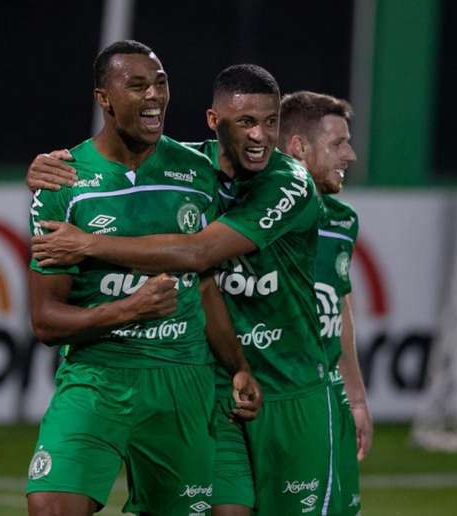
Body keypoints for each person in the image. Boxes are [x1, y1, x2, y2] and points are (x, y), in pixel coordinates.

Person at [29, 64, 341, 515]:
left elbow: (198, 257)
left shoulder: (288, 183)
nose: (260, 136)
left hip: (286, 382)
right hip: (188, 378)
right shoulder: (190, 167)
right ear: (216, 123)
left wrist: (88, 243)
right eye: (246, 122)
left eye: (270, 122)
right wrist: (45, 167)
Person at [278, 90, 372, 515]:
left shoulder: (342, 219)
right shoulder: (247, 214)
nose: (350, 155)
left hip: (328, 395)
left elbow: (339, 308)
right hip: (278, 394)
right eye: (338, 143)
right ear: (298, 147)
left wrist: (355, 398)